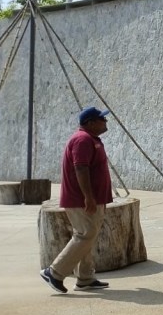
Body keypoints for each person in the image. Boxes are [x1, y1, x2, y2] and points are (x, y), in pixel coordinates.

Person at [39, 106, 115, 294]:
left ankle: (85, 278)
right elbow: (80, 168)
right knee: (85, 234)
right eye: (102, 119)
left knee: (88, 236)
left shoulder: (91, 139)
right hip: (81, 199)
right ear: (90, 123)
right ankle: (54, 272)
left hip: (93, 198)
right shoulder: (82, 140)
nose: (105, 121)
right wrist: (88, 196)